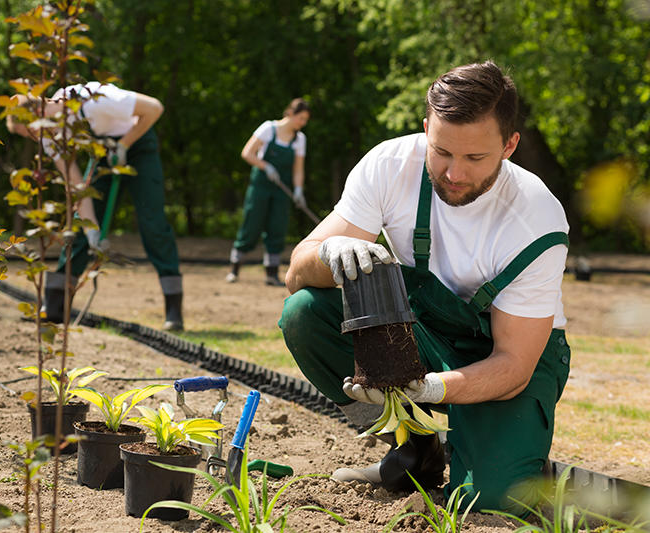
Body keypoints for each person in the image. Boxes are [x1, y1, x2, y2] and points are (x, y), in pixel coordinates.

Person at [278, 61, 571, 513]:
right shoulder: (390, 165)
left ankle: (518, 460)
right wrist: (329, 252)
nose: (454, 173)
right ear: (426, 129)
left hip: (509, 356)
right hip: (424, 331)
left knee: (492, 502)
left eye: (475, 158)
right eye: (442, 152)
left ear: (509, 145)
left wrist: (433, 388)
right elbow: (296, 274)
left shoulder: (535, 220)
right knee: (304, 313)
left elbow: (513, 365)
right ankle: (413, 447)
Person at [7, 82, 184, 331]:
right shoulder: (49, 135)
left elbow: (154, 108)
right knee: (81, 227)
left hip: (139, 145)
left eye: (30, 133)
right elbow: (76, 185)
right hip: (103, 152)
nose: (35, 139)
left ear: (37, 115)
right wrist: (92, 233)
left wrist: (124, 144)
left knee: (152, 222)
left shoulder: (96, 99)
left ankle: (173, 310)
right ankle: (55, 307)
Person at [226, 98, 310, 286]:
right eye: (301, 118)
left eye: (305, 120)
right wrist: (266, 167)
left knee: (277, 227)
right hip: (261, 186)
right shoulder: (268, 129)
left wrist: (298, 190)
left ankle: (271, 274)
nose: (302, 123)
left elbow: (298, 169)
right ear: (290, 113)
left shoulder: (300, 139)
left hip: (281, 189)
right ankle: (234, 269)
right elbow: (247, 153)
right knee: (252, 224)